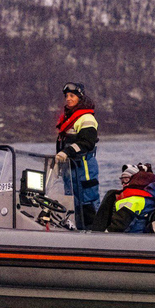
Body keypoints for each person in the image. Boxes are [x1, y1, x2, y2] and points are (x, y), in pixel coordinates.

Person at [55, 82, 100, 230]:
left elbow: (87, 143)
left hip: (84, 168)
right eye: (66, 96)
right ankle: (77, 230)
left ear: (80, 98)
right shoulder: (69, 119)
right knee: (72, 202)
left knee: (87, 202)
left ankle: (93, 233)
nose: (68, 99)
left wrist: (66, 153)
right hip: (71, 169)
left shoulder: (86, 118)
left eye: (72, 96)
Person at [107, 166, 155, 233]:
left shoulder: (134, 200)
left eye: (126, 179)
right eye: (122, 181)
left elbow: (119, 225)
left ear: (134, 180)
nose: (124, 184)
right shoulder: (153, 197)